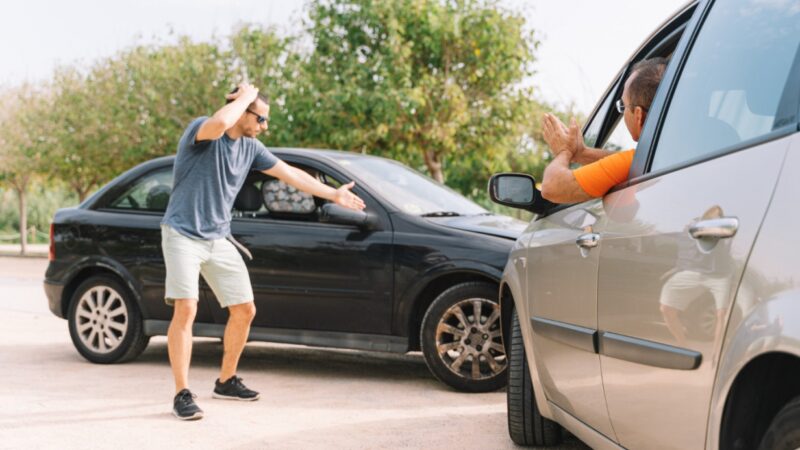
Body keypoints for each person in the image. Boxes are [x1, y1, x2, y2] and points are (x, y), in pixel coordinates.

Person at [161, 83, 365, 420]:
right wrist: (242, 98)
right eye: (261, 118)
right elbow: (219, 123)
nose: (265, 126)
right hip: (183, 232)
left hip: (218, 236)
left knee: (245, 309)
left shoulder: (252, 148)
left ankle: (226, 381)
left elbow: (290, 173)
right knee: (186, 308)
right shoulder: (202, 130)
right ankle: (182, 394)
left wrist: (332, 194)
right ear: (242, 111)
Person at [539, 57, 667, 203]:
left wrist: (564, 152)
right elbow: (618, 164)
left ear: (638, 116)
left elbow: (552, 187)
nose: (623, 113)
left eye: (623, 106)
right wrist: (582, 153)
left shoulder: (640, 162)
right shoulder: (666, 155)